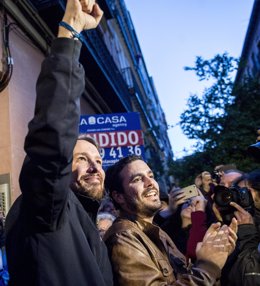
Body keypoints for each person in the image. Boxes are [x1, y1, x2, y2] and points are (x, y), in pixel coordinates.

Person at [5, 1, 113, 285]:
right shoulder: (47, 208)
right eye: (80, 159)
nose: (95, 168)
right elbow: (53, 134)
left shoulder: (87, 224)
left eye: (99, 161)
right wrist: (70, 33)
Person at [104, 155, 237, 286]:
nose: (150, 183)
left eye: (151, 176)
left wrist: (213, 252)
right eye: (137, 179)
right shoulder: (124, 236)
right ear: (119, 197)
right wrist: (208, 266)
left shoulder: (155, 231)